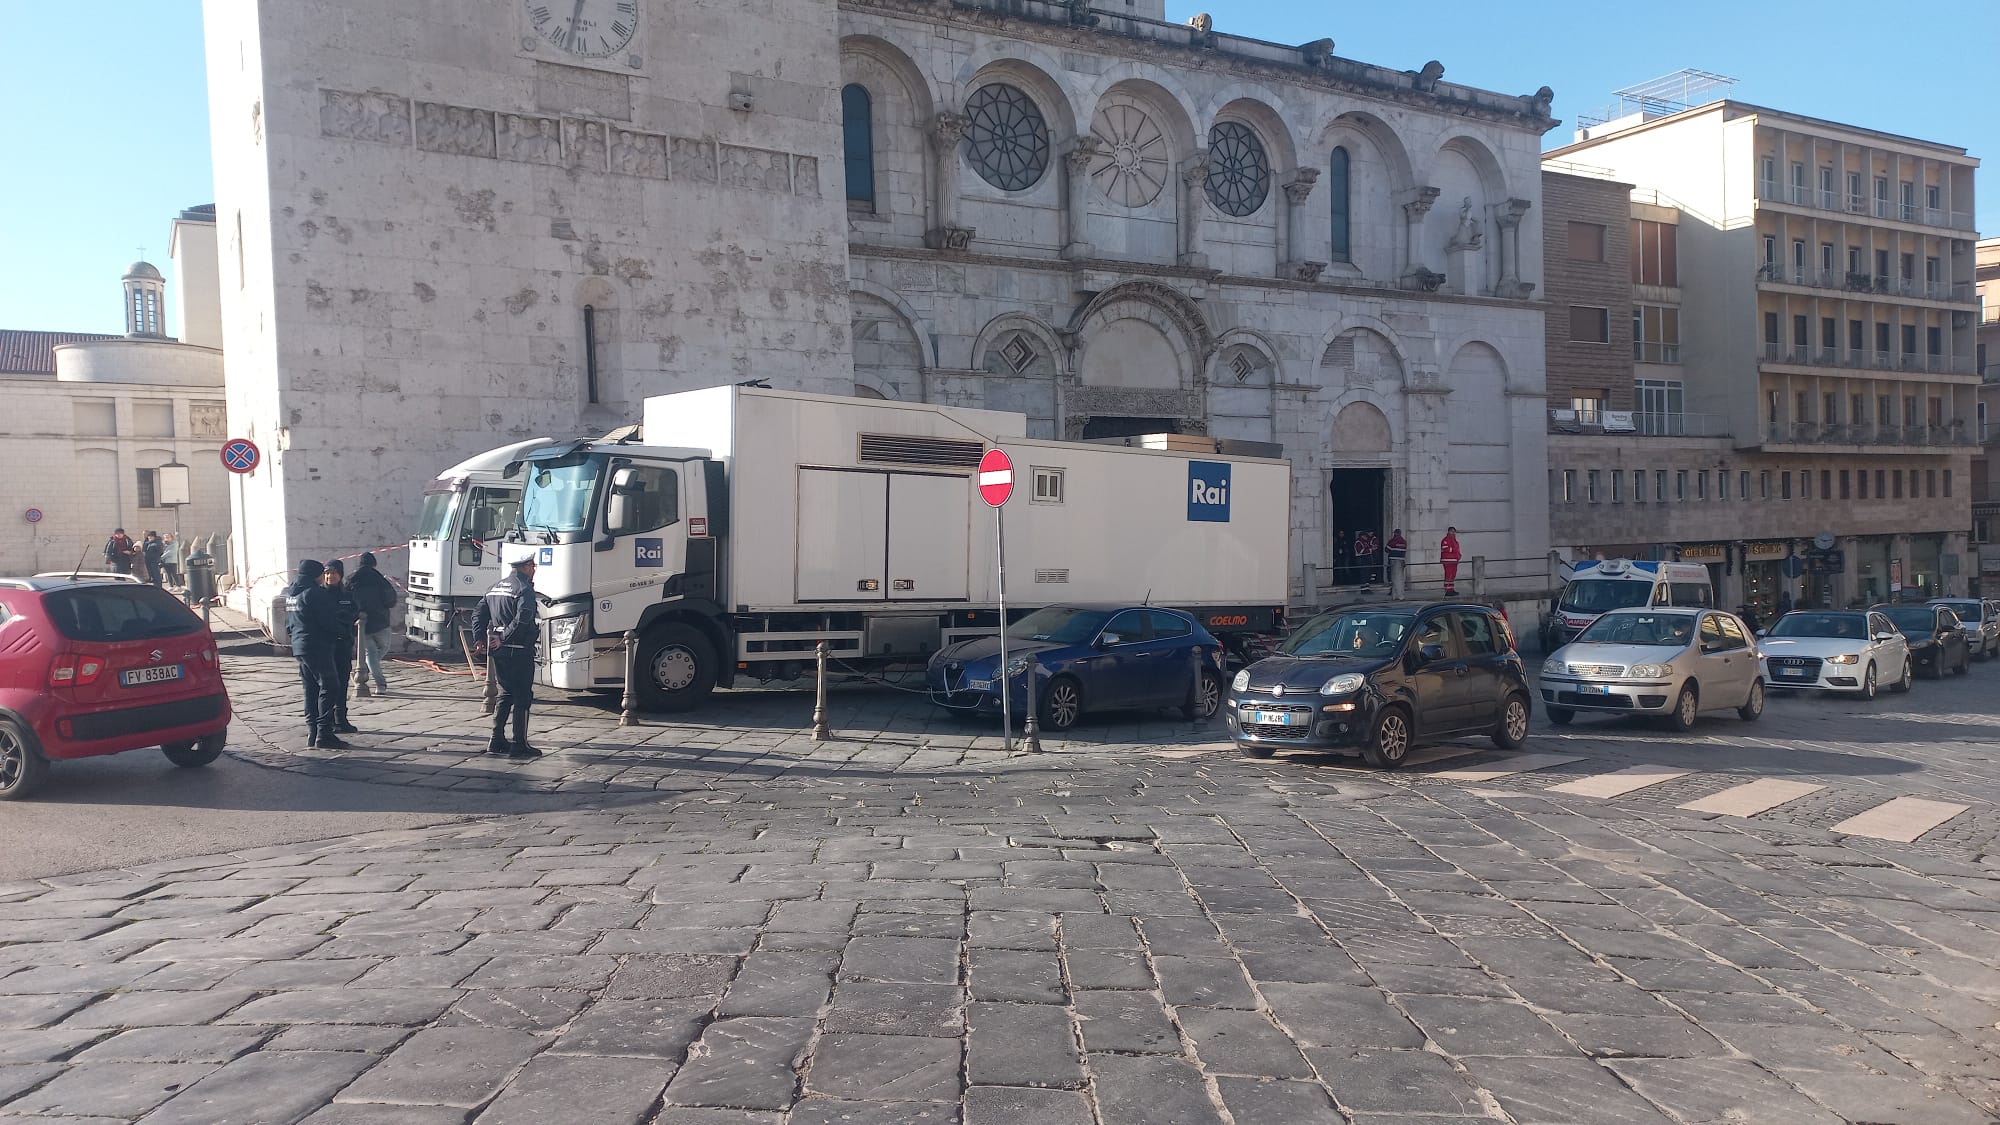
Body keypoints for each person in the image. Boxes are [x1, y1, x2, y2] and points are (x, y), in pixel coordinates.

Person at [472, 554, 543, 758]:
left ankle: (496, 739)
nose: (534, 569)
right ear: (527, 567)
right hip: (519, 649)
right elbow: (524, 618)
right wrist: (504, 636)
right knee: (522, 696)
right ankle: (519, 743)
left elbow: (478, 614)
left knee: (505, 693)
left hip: (498, 649)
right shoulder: (524, 589)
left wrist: (480, 638)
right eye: (533, 566)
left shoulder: (495, 587)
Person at [285, 559, 348, 749]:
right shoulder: (315, 593)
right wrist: (343, 632)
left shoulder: (292, 593)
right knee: (330, 686)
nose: (324, 577)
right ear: (315, 575)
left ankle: (312, 732)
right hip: (317, 645)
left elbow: (289, 624)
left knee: (310, 689)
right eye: (322, 573)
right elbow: (327, 621)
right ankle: (324, 733)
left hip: (300, 646)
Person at [348, 551, 399, 696]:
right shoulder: (380, 579)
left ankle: (364, 671)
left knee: (371, 653)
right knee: (382, 648)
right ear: (374, 564)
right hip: (380, 621)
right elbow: (391, 600)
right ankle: (379, 682)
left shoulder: (351, 579)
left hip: (360, 621)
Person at [322, 559, 361, 735]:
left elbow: (355, 612)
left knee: (343, 682)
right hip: (327, 646)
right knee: (328, 684)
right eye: (327, 573)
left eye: (334, 573)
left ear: (341, 574)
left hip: (344, 645)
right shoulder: (320, 594)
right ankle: (327, 719)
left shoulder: (347, 595)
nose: (330, 576)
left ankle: (341, 718)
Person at [1440, 526, 1462, 596]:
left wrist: (1457, 555)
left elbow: (1456, 549)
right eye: (1452, 531)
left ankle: (1451, 589)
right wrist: (1453, 550)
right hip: (1448, 561)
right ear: (1449, 532)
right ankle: (1447, 590)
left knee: (1453, 575)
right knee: (1448, 575)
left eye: (1454, 532)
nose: (1453, 533)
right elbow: (1446, 549)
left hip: (1454, 561)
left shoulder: (1455, 541)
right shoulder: (1445, 540)